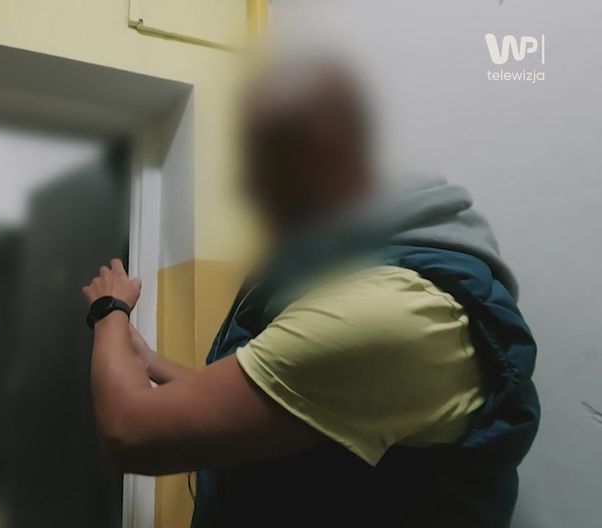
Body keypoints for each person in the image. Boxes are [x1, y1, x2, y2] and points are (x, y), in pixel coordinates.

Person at [81, 60, 539, 528]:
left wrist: (109, 309)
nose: (251, 191)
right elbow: (269, 399)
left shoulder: (385, 312)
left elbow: (129, 432)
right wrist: (148, 360)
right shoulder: (347, 282)